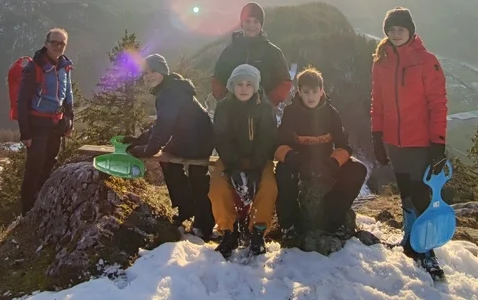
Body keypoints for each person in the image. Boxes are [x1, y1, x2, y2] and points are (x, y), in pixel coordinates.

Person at [370, 7, 448, 279]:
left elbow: (438, 104)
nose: (395, 34)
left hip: (420, 141)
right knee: (405, 190)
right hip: (394, 140)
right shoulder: (381, 61)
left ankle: (426, 249)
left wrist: (438, 143)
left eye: (400, 29)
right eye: (390, 30)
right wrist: (377, 135)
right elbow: (377, 100)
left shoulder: (426, 61)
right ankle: (409, 238)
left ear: (411, 31)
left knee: (420, 193)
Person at [273, 67, 368, 249]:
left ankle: (331, 221)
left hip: (325, 162)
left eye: (315, 91)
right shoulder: (291, 113)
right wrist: (296, 159)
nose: (311, 96)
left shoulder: (331, 113)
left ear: (322, 91)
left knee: (358, 170)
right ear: (299, 92)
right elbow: (278, 146)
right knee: (284, 174)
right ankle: (289, 226)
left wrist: (332, 163)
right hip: (298, 162)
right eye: (306, 92)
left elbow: (344, 146)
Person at [127, 54, 215, 240]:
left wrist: (147, 150)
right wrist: (139, 141)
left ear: (163, 72)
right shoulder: (171, 87)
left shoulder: (169, 93)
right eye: (145, 73)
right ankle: (189, 209)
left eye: (153, 71)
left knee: (196, 175)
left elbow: (164, 127)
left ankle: (202, 220)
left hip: (196, 141)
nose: (148, 76)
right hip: (195, 137)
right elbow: (161, 125)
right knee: (170, 161)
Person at [209, 64, 278, 258]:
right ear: (232, 85)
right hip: (230, 159)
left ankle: (258, 231)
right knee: (217, 187)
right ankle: (228, 231)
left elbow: (267, 139)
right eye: (239, 84)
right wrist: (233, 166)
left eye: (249, 84)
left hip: (259, 159)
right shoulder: (224, 106)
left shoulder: (265, 108)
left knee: (269, 187)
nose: (244, 88)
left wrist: (255, 168)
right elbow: (221, 137)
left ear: (256, 87)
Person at [18, 28, 75, 215]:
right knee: (34, 167)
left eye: (62, 43)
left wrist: (69, 119)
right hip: (37, 125)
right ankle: (27, 213)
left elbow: (68, 94)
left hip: (56, 124)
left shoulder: (65, 67)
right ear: (46, 43)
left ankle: (42, 205)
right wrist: (25, 133)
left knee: (50, 162)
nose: (58, 47)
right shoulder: (34, 68)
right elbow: (22, 101)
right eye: (54, 43)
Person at [211, 2, 292, 107]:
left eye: (256, 22)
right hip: (233, 112)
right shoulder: (230, 51)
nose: (251, 26)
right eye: (247, 21)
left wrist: (269, 102)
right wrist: (224, 101)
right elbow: (217, 79)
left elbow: (285, 82)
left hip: (262, 115)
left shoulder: (272, 52)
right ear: (242, 23)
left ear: (261, 25)